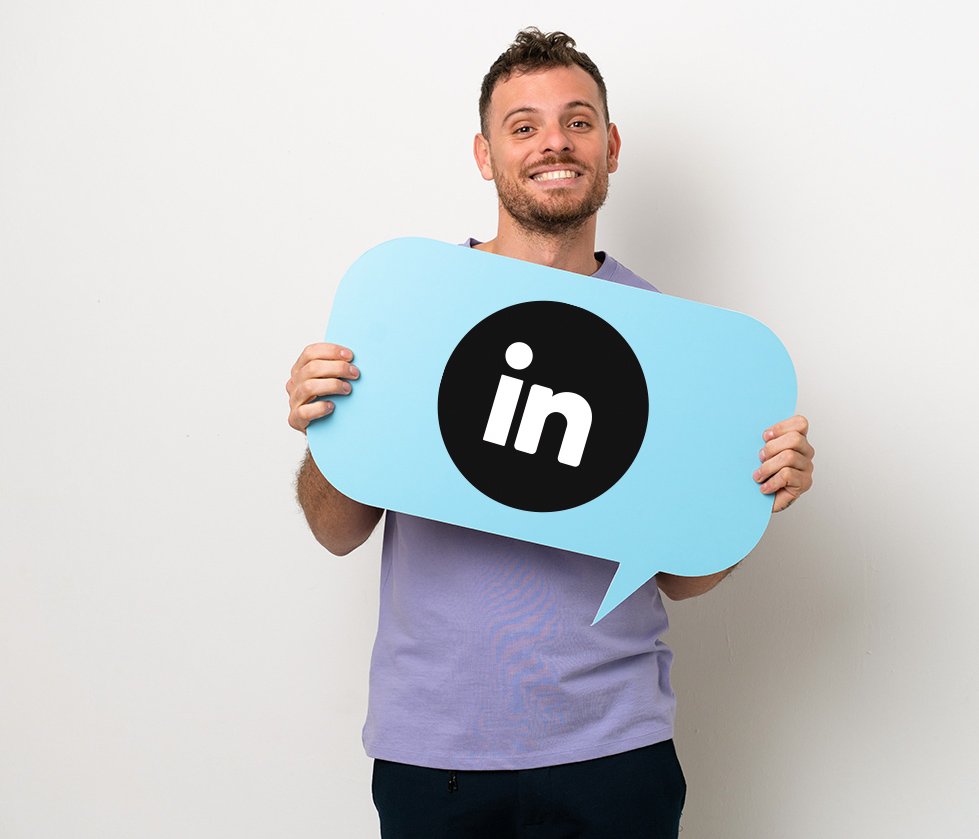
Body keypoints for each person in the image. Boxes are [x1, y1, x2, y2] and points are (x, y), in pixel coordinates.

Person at [286, 28, 815, 839]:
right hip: (435, 752)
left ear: (609, 145)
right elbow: (335, 532)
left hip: (614, 749)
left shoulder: (670, 341)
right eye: (523, 125)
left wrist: (752, 500)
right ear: (484, 152)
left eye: (577, 120)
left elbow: (682, 578)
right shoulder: (415, 308)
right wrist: (328, 434)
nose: (553, 144)